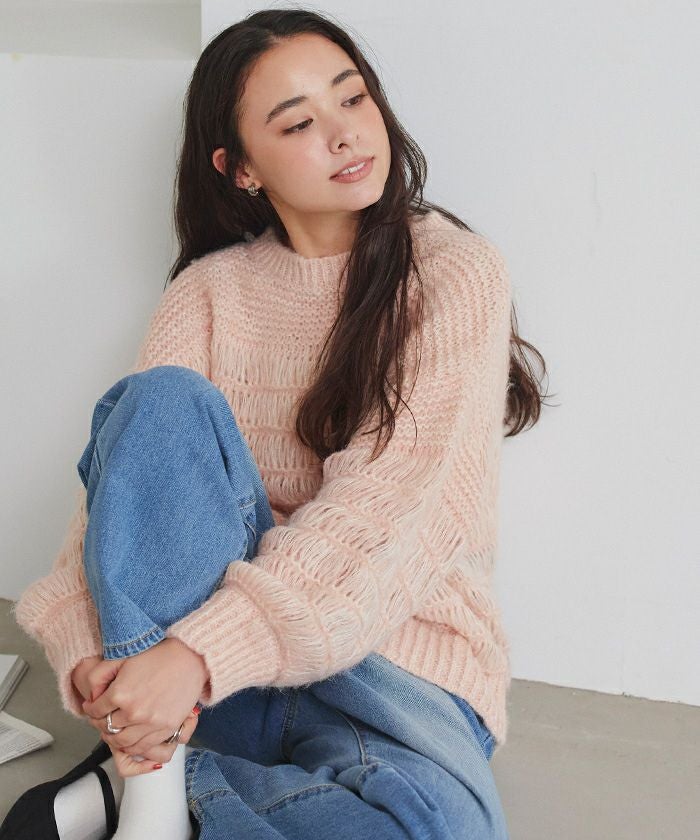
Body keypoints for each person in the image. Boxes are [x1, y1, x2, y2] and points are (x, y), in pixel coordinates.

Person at [2, 8, 548, 839]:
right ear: (240, 168)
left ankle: (142, 791)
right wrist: (93, 652)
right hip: (209, 682)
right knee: (159, 405)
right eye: (297, 123)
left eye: (353, 99)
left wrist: (198, 656)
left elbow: (393, 505)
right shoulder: (208, 292)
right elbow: (123, 493)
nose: (345, 134)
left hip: (386, 667)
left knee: (436, 829)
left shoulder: (454, 271)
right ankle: (159, 784)